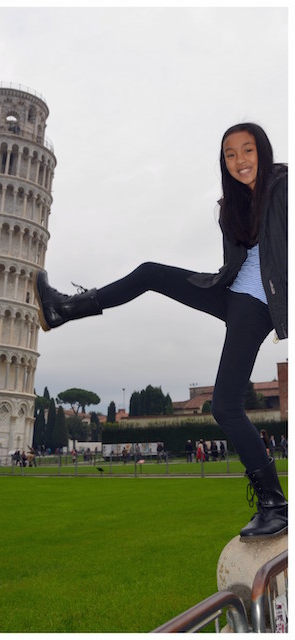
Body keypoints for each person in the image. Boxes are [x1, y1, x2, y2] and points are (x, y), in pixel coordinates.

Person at [35, 123, 287, 539]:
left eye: (247, 150)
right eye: (230, 154)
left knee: (225, 407)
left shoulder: (284, 187)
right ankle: (64, 309)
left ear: (262, 150)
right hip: (229, 291)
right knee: (151, 272)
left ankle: (275, 504)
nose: (240, 161)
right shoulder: (230, 207)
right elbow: (237, 263)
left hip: (259, 305)